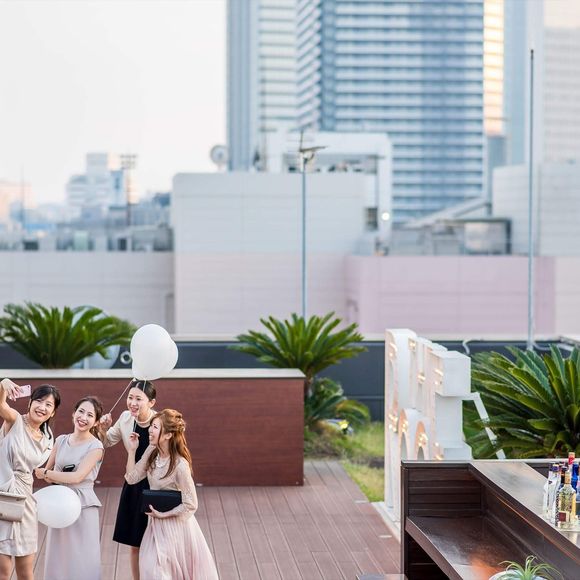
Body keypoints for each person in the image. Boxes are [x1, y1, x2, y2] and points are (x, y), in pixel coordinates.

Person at [125, 409, 218, 580]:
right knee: (151, 569)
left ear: (168, 435)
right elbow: (132, 478)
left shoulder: (180, 465)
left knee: (164, 573)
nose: (150, 430)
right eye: (151, 426)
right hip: (154, 526)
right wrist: (132, 451)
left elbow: (191, 503)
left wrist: (164, 514)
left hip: (175, 527)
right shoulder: (151, 452)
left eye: (155, 427)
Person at [35, 396, 105, 580]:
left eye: (90, 415)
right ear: (74, 413)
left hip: (83, 506)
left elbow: (77, 477)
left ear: (96, 422)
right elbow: (47, 475)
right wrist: (47, 474)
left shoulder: (96, 446)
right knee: (59, 557)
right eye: (81, 411)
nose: (83, 417)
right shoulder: (60, 441)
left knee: (83, 558)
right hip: (60, 505)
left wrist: (47, 473)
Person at [0, 380, 60, 580]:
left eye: (48, 405)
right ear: (30, 403)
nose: (42, 407)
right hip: (2, 496)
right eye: (39, 401)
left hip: (25, 502)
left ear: (53, 412)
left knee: (26, 572)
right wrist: (3, 384)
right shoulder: (14, 420)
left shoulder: (47, 437)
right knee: (3, 571)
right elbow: (1, 405)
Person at [99, 380, 156, 580]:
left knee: (158, 542)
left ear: (151, 402)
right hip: (134, 484)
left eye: (138, 399)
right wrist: (102, 428)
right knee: (135, 543)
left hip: (156, 486)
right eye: (130, 397)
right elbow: (106, 441)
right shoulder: (125, 418)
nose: (132, 402)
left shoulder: (160, 422)